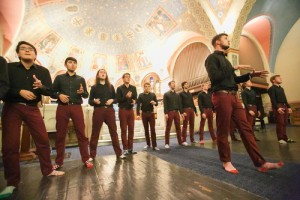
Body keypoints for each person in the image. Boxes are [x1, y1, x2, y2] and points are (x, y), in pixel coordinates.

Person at [205, 33, 283, 174]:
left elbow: (234, 80)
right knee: (223, 130)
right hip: (221, 95)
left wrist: (251, 75)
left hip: (234, 97)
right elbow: (215, 77)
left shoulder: (226, 61)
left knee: (246, 128)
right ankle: (226, 161)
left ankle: (260, 163)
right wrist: (234, 67)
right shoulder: (211, 58)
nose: (228, 40)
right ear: (217, 41)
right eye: (225, 38)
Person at [0, 41, 64, 199]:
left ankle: (48, 170)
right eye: (23, 49)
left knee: (42, 140)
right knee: (10, 144)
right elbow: (3, 88)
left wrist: (41, 87)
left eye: (30, 49)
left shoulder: (42, 71)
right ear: (18, 53)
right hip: (12, 107)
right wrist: (19, 91)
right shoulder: (8, 68)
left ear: (35, 55)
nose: (27, 51)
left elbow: (51, 92)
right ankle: (12, 182)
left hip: (32, 108)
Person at [52, 57, 93, 169]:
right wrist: (59, 95)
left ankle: (86, 159)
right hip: (62, 107)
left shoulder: (81, 79)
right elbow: (52, 92)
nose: (73, 64)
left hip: (76, 107)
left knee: (81, 133)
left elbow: (86, 95)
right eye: (70, 62)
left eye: (75, 63)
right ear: (66, 64)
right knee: (60, 134)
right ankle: (58, 162)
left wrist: (82, 92)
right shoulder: (59, 78)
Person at [88, 69, 126, 160]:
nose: (103, 73)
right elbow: (90, 101)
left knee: (114, 132)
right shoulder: (94, 87)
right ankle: (92, 155)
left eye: (104, 72)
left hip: (109, 111)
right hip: (98, 111)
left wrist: (112, 100)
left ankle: (119, 153)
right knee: (95, 133)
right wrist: (94, 101)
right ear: (97, 75)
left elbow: (116, 99)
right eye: (101, 72)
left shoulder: (111, 86)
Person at [268, 75, 295, 144]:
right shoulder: (271, 88)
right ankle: (280, 139)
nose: (280, 78)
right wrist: (277, 108)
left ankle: (285, 138)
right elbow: (273, 99)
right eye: (278, 78)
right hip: (278, 106)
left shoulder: (281, 88)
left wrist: (288, 107)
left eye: (280, 77)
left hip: (284, 105)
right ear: (273, 80)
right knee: (280, 122)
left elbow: (285, 98)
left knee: (285, 123)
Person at [116, 73, 138, 155]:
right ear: (123, 78)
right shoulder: (119, 88)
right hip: (123, 110)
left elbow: (135, 97)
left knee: (131, 129)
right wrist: (126, 97)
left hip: (131, 110)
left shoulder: (133, 88)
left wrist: (134, 101)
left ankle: (130, 148)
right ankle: (125, 149)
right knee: (124, 130)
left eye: (129, 77)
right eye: (126, 77)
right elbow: (118, 100)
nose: (128, 78)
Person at [163, 81, 188, 148]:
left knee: (178, 128)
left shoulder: (177, 95)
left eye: (174, 83)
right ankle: (167, 143)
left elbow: (179, 105)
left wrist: (181, 113)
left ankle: (180, 142)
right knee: (168, 128)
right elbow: (165, 105)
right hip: (170, 112)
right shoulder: (166, 94)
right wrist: (166, 113)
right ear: (169, 85)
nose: (174, 85)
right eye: (172, 84)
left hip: (176, 112)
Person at [136, 82, 160, 150]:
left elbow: (156, 103)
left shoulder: (153, 95)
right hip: (144, 114)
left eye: (148, 86)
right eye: (146, 86)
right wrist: (138, 114)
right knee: (146, 130)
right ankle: (148, 144)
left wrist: (154, 103)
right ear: (144, 87)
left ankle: (154, 145)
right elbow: (138, 105)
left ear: (150, 87)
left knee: (153, 130)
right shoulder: (140, 95)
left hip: (151, 114)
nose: (147, 87)